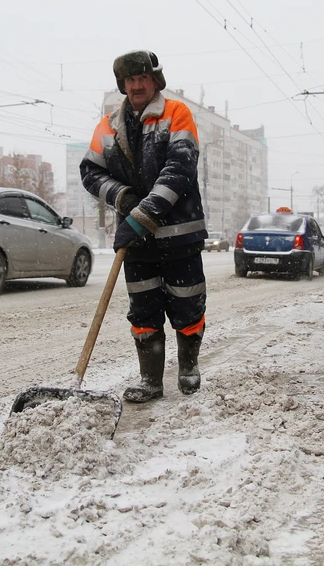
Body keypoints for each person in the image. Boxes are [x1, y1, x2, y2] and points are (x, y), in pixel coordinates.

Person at [80, 50, 208, 402]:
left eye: (142, 78)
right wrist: (122, 198)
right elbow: (90, 172)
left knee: (187, 304)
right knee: (144, 311)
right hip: (136, 243)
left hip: (178, 235)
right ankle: (151, 380)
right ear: (123, 85)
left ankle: (188, 367)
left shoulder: (176, 114)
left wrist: (141, 216)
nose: (136, 85)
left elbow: (179, 169)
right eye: (130, 80)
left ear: (155, 82)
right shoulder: (109, 126)